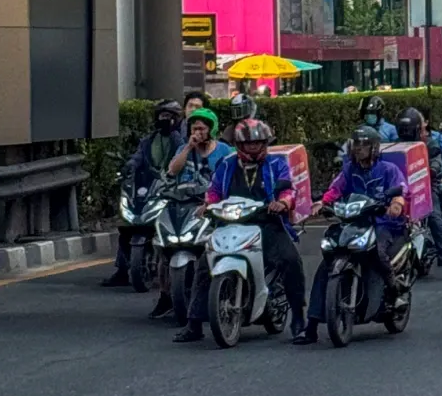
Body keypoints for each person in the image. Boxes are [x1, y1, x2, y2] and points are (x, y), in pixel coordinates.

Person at [173, 118, 308, 344]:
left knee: (290, 260)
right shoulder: (226, 164)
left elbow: (288, 190)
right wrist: (208, 205)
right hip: (230, 223)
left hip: (267, 223)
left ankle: (299, 320)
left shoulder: (276, 164)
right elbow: (214, 191)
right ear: (239, 145)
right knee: (205, 266)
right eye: (248, 144)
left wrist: (282, 203)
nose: (254, 147)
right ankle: (194, 323)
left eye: (258, 143)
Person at [295, 126, 409, 345]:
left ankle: (394, 289)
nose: (359, 149)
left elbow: (400, 191)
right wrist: (322, 203)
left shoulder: (388, 169)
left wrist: (396, 204)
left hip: (381, 223)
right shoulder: (349, 170)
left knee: (379, 252)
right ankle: (310, 327)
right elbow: (335, 190)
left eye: (364, 145)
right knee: (326, 265)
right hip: (353, 222)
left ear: (374, 148)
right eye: (356, 145)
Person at [147, 108, 235, 319]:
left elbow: (234, 176)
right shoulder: (183, 150)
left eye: (202, 129)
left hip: (212, 208)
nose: (198, 132)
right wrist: (188, 148)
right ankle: (165, 295)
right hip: (182, 205)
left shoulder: (225, 151)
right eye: (194, 128)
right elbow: (172, 171)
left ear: (211, 130)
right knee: (162, 244)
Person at [102, 99, 185, 287]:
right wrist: (129, 167)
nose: (165, 120)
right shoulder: (148, 140)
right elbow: (137, 158)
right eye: (162, 116)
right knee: (127, 225)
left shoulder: (182, 141)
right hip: (149, 186)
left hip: (173, 191)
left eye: (169, 117)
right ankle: (122, 269)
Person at [395, 107, 442, 281]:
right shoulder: (394, 145)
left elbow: (437, 162)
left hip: (424, 187)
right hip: (400, 190)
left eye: (408, 129)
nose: (405, 133)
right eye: (403, 130)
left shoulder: (430, 143)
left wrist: (431, 170)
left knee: (435, 221)